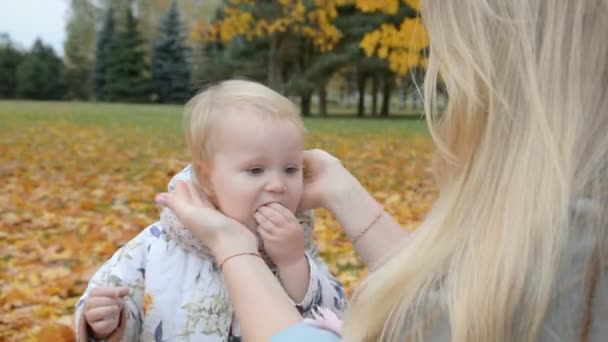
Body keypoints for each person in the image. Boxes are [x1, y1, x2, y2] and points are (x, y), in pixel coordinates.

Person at [155, 1, 608, 341]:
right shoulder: (574, 223)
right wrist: (343, 192)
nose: (445, 86)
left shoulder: (574, 236)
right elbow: (451, 311)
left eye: (448, 62)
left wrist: (237, 250)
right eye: (254, 169)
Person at [74, 80, 346, 341]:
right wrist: (106, 322)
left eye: (290, 169)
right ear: (207, 177)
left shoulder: (297, 245)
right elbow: (115, 293)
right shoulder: (157, 244)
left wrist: (293, 263)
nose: (277, 185)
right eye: (255, 170)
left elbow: (334, 321)